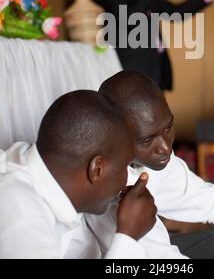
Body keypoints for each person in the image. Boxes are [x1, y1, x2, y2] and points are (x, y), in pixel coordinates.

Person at [98, 70, 214, 259]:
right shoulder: (107, 186)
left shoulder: (151, 162)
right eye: (148, 140)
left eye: (168, 127)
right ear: (115, 137)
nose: (165, 147)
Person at [0, 90, 157, 259]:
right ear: (96, 170)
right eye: (124, 167)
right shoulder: (21, 215)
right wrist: (128, 236)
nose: (127, 178)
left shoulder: (48, 177)